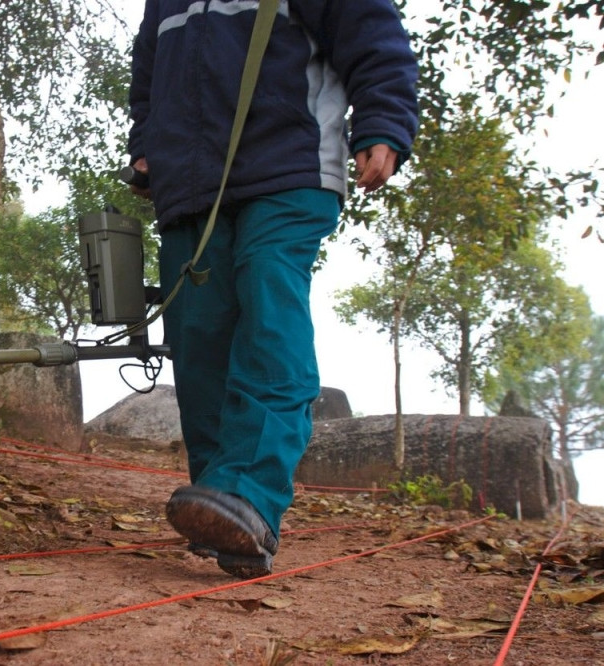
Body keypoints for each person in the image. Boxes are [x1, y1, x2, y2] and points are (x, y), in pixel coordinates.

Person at [126, 0, 419, 578]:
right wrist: (144, 144)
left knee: (267, 311)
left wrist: (384, 122)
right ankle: (218, 501)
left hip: (288, 170)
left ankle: (251, 496)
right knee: (197, 334)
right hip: (187, 189)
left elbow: (375, 38)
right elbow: (147, 79)